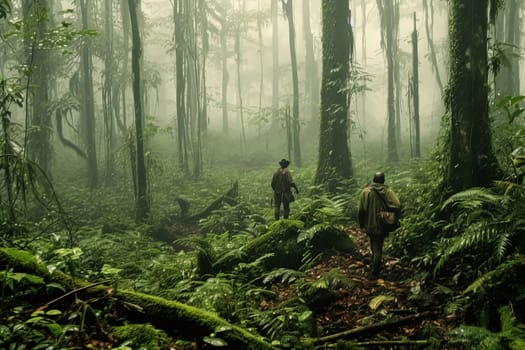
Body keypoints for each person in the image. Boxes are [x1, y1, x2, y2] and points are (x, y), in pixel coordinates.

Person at [358, 172, 401, 278]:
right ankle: (376, 264)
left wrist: (361, 224)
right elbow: (397, 205)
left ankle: (374, 272)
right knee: (378, 246)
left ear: (373, 180)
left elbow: (361, 210)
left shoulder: (366, 192)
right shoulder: (388, 191)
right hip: (382, 224)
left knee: (374, 245)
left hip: (369, 224)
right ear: (383, 180)